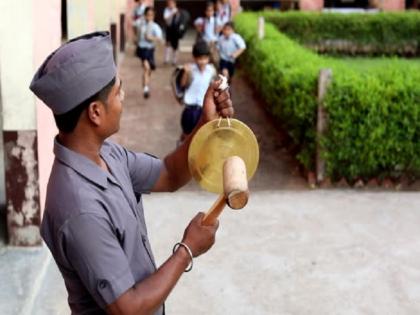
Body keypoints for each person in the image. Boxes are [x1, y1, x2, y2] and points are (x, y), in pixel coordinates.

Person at [29, 31, 233, 315]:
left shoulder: (107, 154)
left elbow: (169, 173)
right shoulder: (80, 209)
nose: (124, 97)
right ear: (95, 112)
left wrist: (204, 123)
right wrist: (187, 249)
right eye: (118, 91)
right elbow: (129, 308)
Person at [179, 41, 217, 141]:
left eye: (205, 58)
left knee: (201, 137)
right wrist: (186, 73)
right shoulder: (190, 70)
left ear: (208, 58)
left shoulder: (211, 71)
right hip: (189, 109)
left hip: (203, 109)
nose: (202, 61)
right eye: (200, 59)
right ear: (194, 58)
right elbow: (183, 85)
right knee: (187, 134)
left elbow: (213, 86)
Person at [134, 6, 163, 98]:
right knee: (146, 67)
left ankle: (146, 84)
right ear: (145, 15)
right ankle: (146, 89)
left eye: (151, 15)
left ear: (154, 16)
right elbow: (134, 25)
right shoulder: (140, 24)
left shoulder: (155, 26)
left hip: (150, 50)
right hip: (142, 49)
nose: (149, 17)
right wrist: (136, 38)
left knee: (148, 70)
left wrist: (151, 38)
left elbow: (160, 38)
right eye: (147, 15)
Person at [163, 0, 179, 65]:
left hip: (175, 29)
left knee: (175, 45)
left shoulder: (177, 10)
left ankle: (174, 60)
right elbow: (166, 19)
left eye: (172, 3)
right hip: (169, 28)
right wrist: (172, 14)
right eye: (169, 3)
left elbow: (179, 20)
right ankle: (166, 59)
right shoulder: (166, 10)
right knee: (168, 43)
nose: (170, 5)